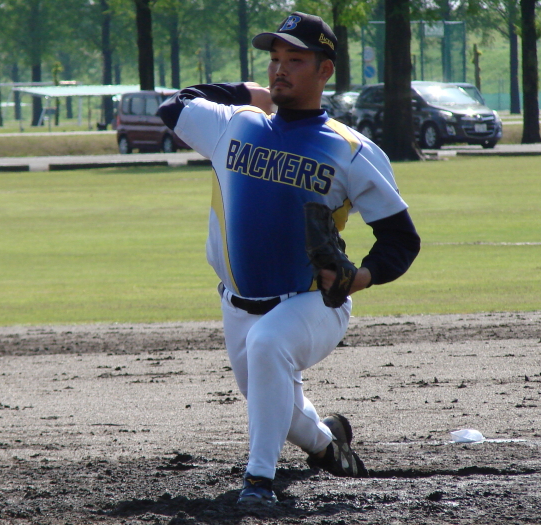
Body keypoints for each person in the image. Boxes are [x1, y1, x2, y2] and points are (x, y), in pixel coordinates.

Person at [158, 11, 420, 506]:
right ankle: (328, 443)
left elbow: (401, 240)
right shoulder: (235, 124)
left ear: (325, 70)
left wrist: (359, 277)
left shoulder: (351, 150)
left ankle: (259, 481)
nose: (280, 68)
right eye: (275, 58)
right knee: (271, 395)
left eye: (295, 60)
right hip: (237, 304)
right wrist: (246, 92)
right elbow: (175, 104)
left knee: (269, 347)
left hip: (312, 302)